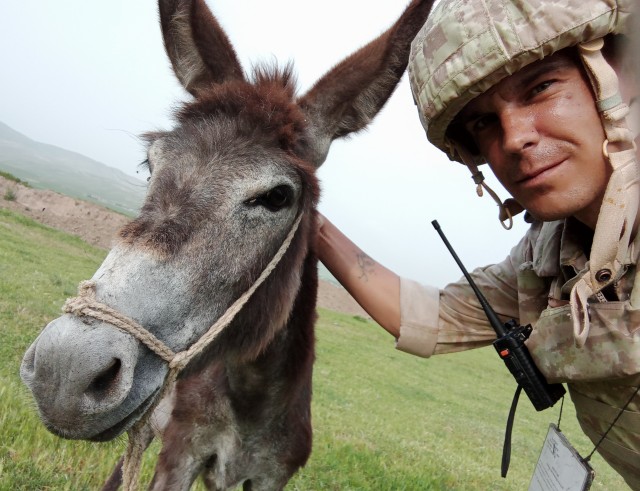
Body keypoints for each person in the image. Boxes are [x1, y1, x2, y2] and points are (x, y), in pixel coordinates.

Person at [317, 0, 640, 487]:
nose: (513, 139)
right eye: (483, 122)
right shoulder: (546, 259)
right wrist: (303, 217)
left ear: (616, 74)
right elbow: (427, 316)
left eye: (540, 88)